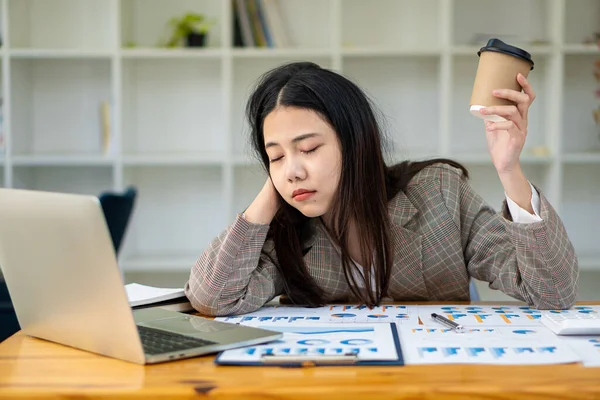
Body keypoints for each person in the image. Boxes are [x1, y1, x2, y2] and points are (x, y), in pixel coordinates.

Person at [185, 61, 579, 316]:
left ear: (354, 142)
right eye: (275, 156)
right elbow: (212, 298)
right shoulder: (288, 233)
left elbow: (553, 293)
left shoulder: (439, 193)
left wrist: (509, 169)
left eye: (308, 148)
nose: (292, 170)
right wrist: (273, 190)